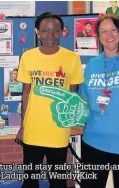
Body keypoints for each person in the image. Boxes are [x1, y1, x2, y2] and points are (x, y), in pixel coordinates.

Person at [16, 12, 84, 188]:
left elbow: (73, 95)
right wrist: (22, 127)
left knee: (58, 179)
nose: (50, 36)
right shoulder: (28, 57)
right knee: (30, 179)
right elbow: (26, 94)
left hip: (58, 130)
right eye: (45, 31)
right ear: (37, 32)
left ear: (62, 32)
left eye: (55, 31)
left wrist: (74, 122)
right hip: (33, 129)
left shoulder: (72, 58)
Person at [79, 14, 119, 188]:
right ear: (98, 37)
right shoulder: (92, 64)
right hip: (93, 140)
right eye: (103, 31)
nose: (109, 35)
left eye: (113, 30)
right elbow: (84, 99)